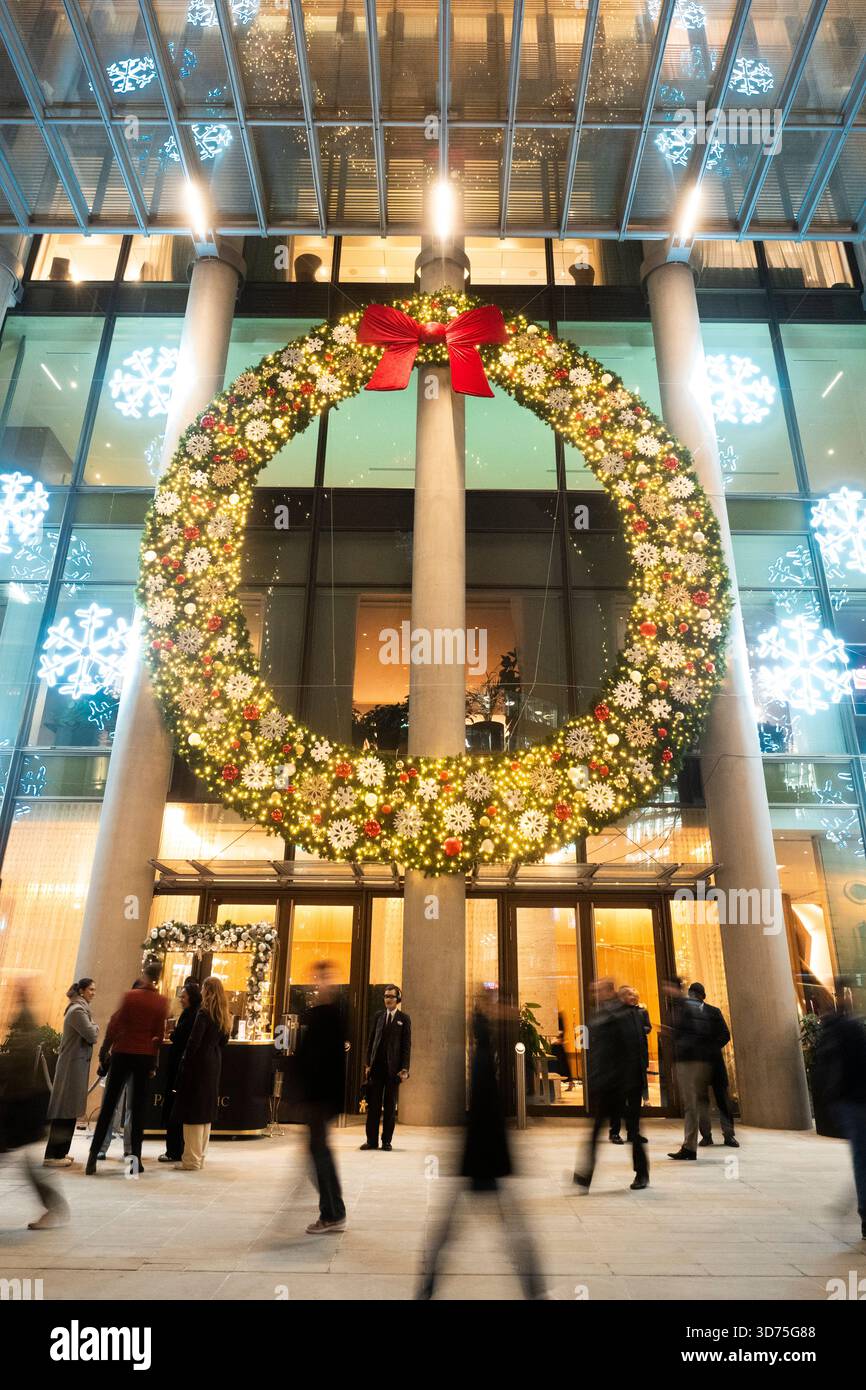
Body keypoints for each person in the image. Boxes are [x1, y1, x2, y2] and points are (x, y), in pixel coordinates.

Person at [418, 990, 542, 1299]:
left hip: (479, 1156)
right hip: (483, 1157)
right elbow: (483, 1111)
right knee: (510, 1232)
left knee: (454, 1231)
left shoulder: (479, 1057)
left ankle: (427, 1288)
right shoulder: (481, 1059)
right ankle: (534, 1291)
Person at [86, 962, 169, 1175]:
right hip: (143, 1057)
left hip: (122, 1053)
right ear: (159, 977)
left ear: (144, 974)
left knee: (109, 1106)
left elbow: (115, 1025)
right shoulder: (161, 1002)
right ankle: (134, 1163)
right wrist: (153, 1063)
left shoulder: (130, 996)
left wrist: (105, 1052)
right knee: (138, 1110)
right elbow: (158, 1036)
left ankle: (92, 1158)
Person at [0, 980, 69, 1229]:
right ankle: (52, 1206)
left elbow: (14, 1067)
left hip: (21, 1106)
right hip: (21, 1105)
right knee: (23, 1163)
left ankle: (53, 1206)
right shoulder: (26, 1030)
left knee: (24, 1164)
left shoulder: (23, 1033)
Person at [574, 978, 649, 1191]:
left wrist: (633, 1083)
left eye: (597, 990)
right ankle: (584, 1176)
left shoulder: (627, 1014)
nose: (594, 994)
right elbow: (596, 1051)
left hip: (625, 1084)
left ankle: (642, 1173)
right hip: (607, 1084)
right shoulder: (600, 1015)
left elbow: (635, 1050)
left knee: (633, 1131)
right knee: (595, 1131)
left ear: (608, 990)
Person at [296, 960, 347, 1234]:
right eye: (317, 977)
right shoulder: (321, 1014)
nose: (319, 982)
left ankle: (332, 1213)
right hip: (316, 1098)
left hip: (320, 1099)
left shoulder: (330, 1016)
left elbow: (327, 1062)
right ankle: (333, 1211)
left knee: (320, 1155)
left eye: (324, 977)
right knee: (319, 1153)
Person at [813, 984, 866, 1240]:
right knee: (861, 1156)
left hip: (845, 1101)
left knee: (861, 1156)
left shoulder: (832, 1030)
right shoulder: (851, 1028)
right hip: (855, 1101)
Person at [170, 976, 229, 1171]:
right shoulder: (223, 1014)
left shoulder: (203, 1013)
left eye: (203, 989)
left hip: (199, 1064)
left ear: (207, 990)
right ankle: (199, 1157)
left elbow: (194, 1042)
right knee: (205, 1112)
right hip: (214, 1062)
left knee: (193, 1111)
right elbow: (224, 1041)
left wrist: (184, 1064)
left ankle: (191, 1160)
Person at [43, 979, 99, 1166]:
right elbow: (92, 1035)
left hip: (75, 1066)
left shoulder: (80, 1009)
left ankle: (61, 1152)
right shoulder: (77, 1011)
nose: (93, 992)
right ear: (82, 991)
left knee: (69, 1111)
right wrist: (95, 1026)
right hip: (71, 1068)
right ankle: (53, 1155)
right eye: (91, 989)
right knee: (64, 1111)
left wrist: (93, 1026)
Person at [668, 979, 718, 1161]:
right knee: (695, 1104)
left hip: (690, 1061)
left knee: (692, 1105)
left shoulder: (685, 1006)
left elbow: (696, 1033)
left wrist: (681, 1045)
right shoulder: (686, 1006)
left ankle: (691, 1146)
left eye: (666, 986)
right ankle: (695, 1142)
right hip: (696, 1060)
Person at [360, 983, 411, 1151]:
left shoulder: (404, 1019)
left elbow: (406, 1046)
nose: (388, 999)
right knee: (373, 1106)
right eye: (386, 996)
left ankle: (386, 1141)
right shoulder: (378, 1016)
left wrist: (404, 1068)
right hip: (376, 1069)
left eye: (391, 996)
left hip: (393, 1070)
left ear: (398, 999)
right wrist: (368, 1063)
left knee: (389, 1108)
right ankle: (371, 1141)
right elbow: (371, 1040)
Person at [689, 982, 739, 1149]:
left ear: (702, 996)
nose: (693, 998)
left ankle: (729, 1135)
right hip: (697, 1065)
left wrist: (711, 1047)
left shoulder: (714, 1012)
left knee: (722, 1100)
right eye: (691, 995)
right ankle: (706, 1135)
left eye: (695, 995)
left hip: (715, 1063)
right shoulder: (687, 1015)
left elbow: (725, 1034)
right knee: (701, 1101)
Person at [159, 979, 201, 1164]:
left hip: (179, 1068)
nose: (180, 999)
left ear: (190, 998)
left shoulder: (190, 1016)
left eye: (183, 996)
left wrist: (174, 1032)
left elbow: (178, 1036)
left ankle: (174, 1150)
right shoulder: (195, 1014)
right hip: (184, 1068)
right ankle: (179, 1148)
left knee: (174, 1109)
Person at [609, 985, 650, 1146]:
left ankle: (634, 1133)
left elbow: (645, 1034)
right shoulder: (615, 1014)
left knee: (635, 1102)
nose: (633, 997)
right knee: (619, 1102)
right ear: (621, 997)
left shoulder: (640, 1012)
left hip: (637, 1063)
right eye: (628, 994)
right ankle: (615, 1132)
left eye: (634, 994)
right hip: (620, 1066)